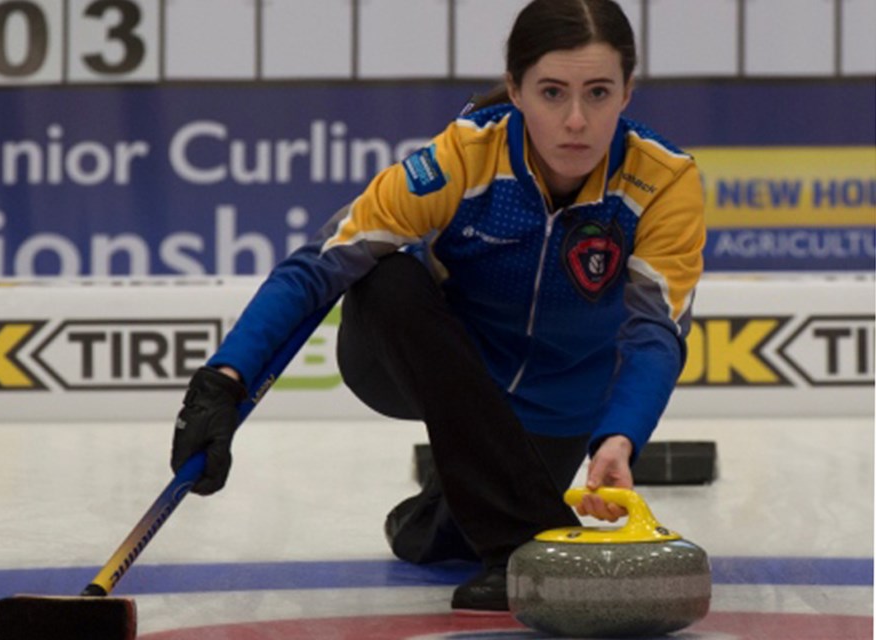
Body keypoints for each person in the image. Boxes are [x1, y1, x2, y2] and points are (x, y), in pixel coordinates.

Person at [170, 0, 705, 614]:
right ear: (515, 89)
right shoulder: (462, 157)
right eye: (552, 93)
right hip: (431, 366)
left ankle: (437, 511)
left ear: (628, 92)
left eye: (599, 93)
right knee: (385, 274)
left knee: (440, 543)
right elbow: (320, 262)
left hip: (559, 405)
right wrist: (222, 379)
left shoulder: (663, 181)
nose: (577, 120)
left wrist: (619, 438)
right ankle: (517, 549)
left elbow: (655, 333)